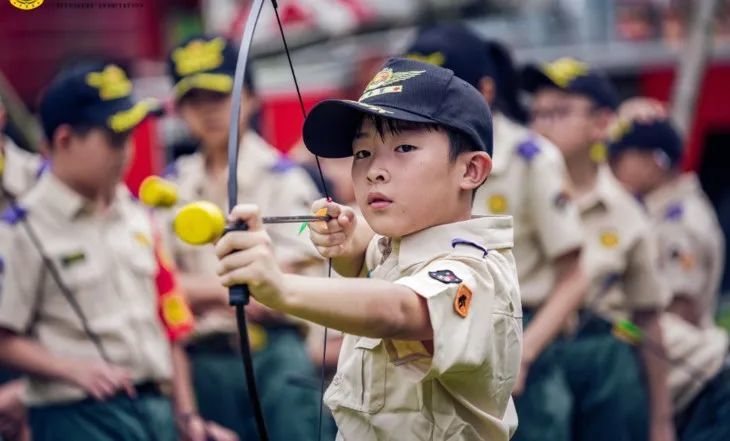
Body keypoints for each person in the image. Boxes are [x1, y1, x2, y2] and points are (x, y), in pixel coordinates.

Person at [213, 57, 522, 440]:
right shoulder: (396, 246)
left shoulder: (476, 270)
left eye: (405, 147)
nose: (374, 169)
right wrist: (349, 245)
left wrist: (279, 287)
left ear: (470, 170)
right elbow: (371, 255)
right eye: (362, 153)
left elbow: (396, 308)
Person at [0, 62, 236, 440]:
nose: (126, 150)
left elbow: (169, 322)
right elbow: (4, 339)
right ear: (64, 141)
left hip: (156, 412)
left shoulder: (138, 217)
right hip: (78, 416)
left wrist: (188, 417)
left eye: (130, 135)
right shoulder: (24, 229)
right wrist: (69, 369)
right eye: (113, 138)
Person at [404, 25, 585, 441]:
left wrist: (524, 353)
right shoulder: (409, 160)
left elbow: (575, 276)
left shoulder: (531, 158)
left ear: (484, 90)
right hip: (442, 336)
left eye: (439, 95)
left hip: (524, 341)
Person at [163, 34, 324, 441]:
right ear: (180, 110)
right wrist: (232, 290)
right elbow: (161, 283)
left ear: (249, 98)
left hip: (277, 354)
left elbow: (301, 272)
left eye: (220, 96)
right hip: (204, 361)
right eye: (194, 100)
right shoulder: (172, 187)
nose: (209, 112)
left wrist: (197, 292)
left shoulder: (286, 178)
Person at [522, 58, 674, 441]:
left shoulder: (625, 212)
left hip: (601, 364)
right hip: (527, 360)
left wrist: (662, 422)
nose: (541, 125)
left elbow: (648, 319)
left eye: (558, 112)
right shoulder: (513, 192)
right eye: (536, 112)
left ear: (602, 123)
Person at [608, 116, 730, 441]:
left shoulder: (679, 221)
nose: (613, 166)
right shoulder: (656, 209)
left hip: (694, 377)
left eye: (621, 157)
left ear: (654, 162)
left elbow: (681, 309)